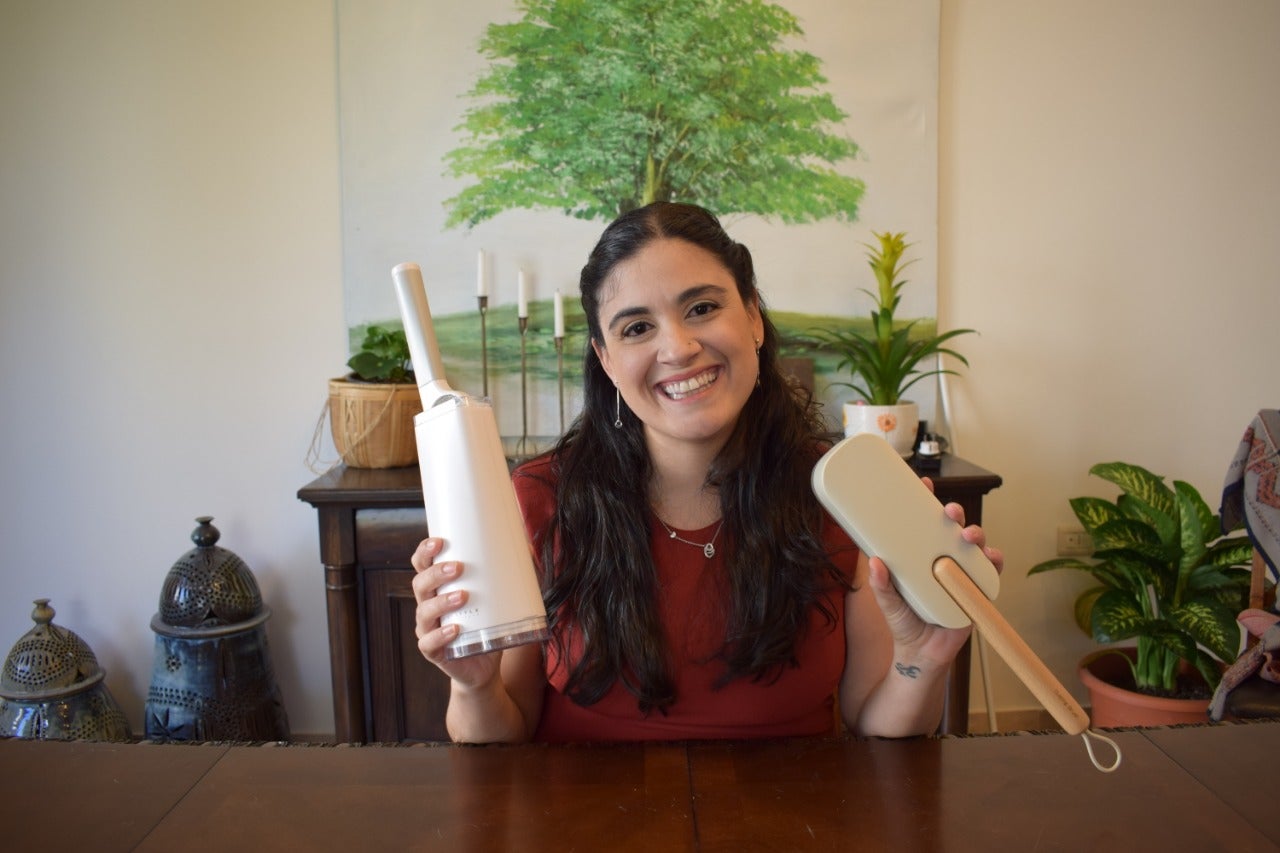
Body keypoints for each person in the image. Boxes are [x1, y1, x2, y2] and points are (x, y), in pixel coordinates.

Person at [411, 202, 1002, 743]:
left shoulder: (840, 494)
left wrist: (924, 656)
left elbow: (876, 726)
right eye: (637, 327)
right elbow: (499, 740)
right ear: (606, 359)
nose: (679, 347)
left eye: (702, 308)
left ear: (753, 318)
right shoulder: (540, 498)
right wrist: (474, 685)